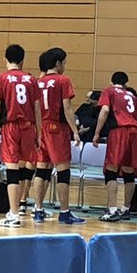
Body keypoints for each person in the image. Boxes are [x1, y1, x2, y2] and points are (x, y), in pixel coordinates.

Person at [0, 44, 42, 228]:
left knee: (12, 170)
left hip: (11, 126)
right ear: (22, 61)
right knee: (23, 169)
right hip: (29, 127)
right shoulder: (31, 79)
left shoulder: (1, 78)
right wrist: (39, 133)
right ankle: (21, 205)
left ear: (5, 58)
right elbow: (37, 109)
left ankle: (14, 214)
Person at [33, 48, 85, 224]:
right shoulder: (63, 80)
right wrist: (75, 131)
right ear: (57, 63)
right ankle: (64, 212)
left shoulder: (38, 81)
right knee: (63, 170)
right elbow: (67, 107)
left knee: (42, 169)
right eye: (64, 63)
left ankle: (38, 210)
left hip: (40, 126)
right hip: (57, 127)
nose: (65, 67)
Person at [92, 71, 137, 222]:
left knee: (111, 171)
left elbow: (105, 111)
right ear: (126, 84)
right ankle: (126, 209)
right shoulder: (132, 96)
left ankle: (112, 210)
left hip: (119, 131)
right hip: (134, 132)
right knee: (129, 171)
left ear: (112, 81)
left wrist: (97, 133)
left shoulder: (109, 91)